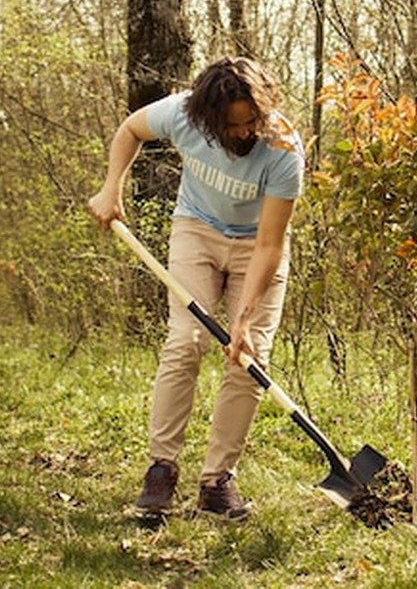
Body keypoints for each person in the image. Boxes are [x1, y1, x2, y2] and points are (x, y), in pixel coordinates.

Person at [87, 56, 305, 520]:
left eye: (253, 122)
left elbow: (269, 245)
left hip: (255, 247)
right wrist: (112, 189)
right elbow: (130, 130)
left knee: (249, 360)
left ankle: (216, 482)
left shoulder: (283, 149)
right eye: (235, 126)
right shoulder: (182, 114)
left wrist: (242, 321)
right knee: (185, 341)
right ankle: (161, 469)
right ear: (208, 119)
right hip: (196, 232)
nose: (246, 133)